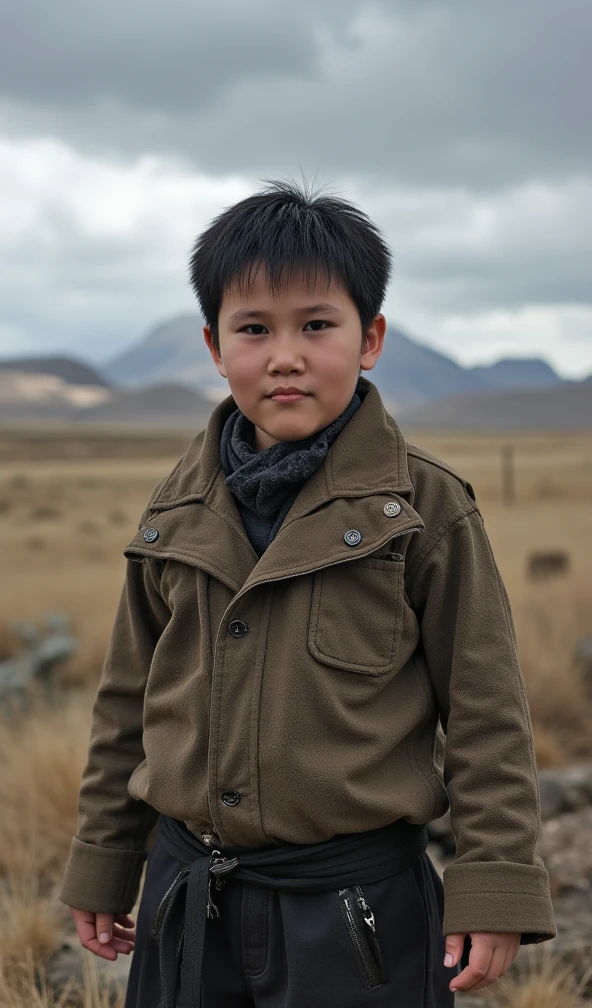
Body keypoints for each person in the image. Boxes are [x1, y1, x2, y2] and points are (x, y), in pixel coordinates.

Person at [59, 178, 556, 1007]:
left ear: (371, 338)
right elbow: (127, 705)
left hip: (356, 912)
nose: (284, 355)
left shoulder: (426, 512)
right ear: (216, 348)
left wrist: (493, 884)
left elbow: (487, 711)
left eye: (316, 325)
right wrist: (105, 861)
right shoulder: (173, 511)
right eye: (254, 329)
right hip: (189, 907)